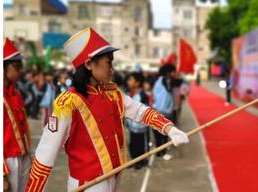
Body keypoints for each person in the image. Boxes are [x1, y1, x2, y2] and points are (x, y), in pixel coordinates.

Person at [25, 28, 188, 191]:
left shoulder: (112, 92)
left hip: (115, 174)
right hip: (88, 184)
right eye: (108, 63)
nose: (112, 69)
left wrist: (169, 128)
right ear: (89, 64)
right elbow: (46, 154)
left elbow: (140, 111)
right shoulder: (69, 103)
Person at [4, 39, 32, 192]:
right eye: (16, 66)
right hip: (7, 160)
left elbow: (24, 128)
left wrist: (30, 155)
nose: (20, 70)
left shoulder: (16, 94)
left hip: (23, 156)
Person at [152, 64, 177, 160]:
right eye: (174, 72)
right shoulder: (165, 80)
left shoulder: (160, 80)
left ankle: (160, 152)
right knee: (163, 134)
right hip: (162, 112)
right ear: (168, 73)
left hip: (160, 110)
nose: (175, 74)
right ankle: (161, 153)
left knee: (160, 135)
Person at [126, 72, 150, 169]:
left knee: (141, 145)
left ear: (137, 83)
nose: (128, 82)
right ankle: (135, 160)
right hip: (132, 126)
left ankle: (141, 162)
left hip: (140, 128)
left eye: (131, 80)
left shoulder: (142, 96)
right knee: (132, 145)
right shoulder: (131, 94)